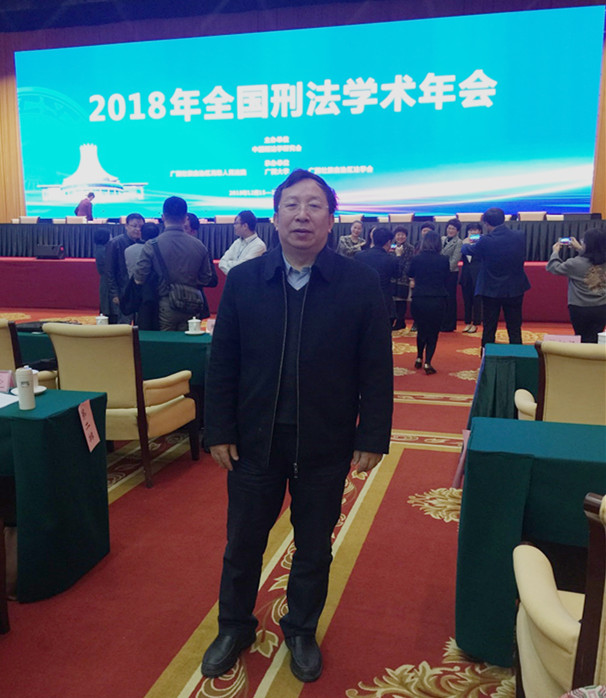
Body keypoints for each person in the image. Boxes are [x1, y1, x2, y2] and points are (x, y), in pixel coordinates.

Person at [201, 169, 393, 684]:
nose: (302, 215)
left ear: (331, 220)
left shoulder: (359, 283)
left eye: (314, 206)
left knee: (313, 545)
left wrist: (372, 435)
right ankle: (234, 626)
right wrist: (218, 429)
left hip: (326, 441)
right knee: (243, 543)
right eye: (291, 205)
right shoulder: (245, 281)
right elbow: (223, 363)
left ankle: (301, 629)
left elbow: (376, 367)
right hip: (253, 442)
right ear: (275, 217)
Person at [134, 197, 214, 331]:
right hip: (193, 304)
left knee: (167, 342)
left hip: (165, 305)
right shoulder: (199, 246)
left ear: (163, 217)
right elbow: (206, 278)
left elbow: (139, 278)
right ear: (185, 218)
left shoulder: (152, 245)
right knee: (189, 340)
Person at [461, 207, 530, 347]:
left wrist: (465, 243)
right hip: (515, 288)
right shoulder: (519, 235)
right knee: (515, 327)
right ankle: (518, 356)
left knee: (489, 327)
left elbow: (469, 250)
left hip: (491, 289)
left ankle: (487, 357)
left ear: (486, 224)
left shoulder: (485, 241)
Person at [546, 228, 606, 342]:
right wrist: (579, 248)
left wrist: (555, 252)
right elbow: (593, 256)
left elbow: (553, 267)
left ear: (587, 244)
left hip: (580, 307)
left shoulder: (575, 263)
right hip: (602, 307)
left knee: (581, 337)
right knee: (596, 338)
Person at [408, 230, 450, 374]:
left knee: (421, 329)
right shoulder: (444, 259)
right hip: (437, 298)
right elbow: (446, 277)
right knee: (433, 331)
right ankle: (428, 362)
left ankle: (419, 357)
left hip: (419, 298)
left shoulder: (417, 258)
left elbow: (410, 273)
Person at [355, 226, 399, 324]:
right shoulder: (392, 259)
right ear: (388, 242)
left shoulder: (359, 256)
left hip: (363, 301)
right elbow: (397, 275)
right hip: (384, 301)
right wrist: (399, 256)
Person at [106, 212, 144, 324]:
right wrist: (114, 294)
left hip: (139, 293)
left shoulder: (145, 244)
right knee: (122, 325)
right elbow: (109, 271)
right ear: (126, 226)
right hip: (122, 291)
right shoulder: (115, 243)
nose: (138, 229)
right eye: (134, 226)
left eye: (141, 226)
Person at [218, 210, 267, 274]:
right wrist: (233, 273)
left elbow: (243, 268)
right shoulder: (237, 242)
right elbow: (222, 263)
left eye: (236, 223)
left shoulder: (259, 246)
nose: (234, 226)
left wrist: (229, 264)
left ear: (245, 226)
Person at [459, 222, 483, 333]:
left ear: (480, 231)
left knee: (477, 301)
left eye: (475, 230)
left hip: (478, 275)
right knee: (467, 300)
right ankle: (468, 322)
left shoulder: (483, 242)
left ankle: (476, 323)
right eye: (471, 230)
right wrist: (466, 243)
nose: (473, 232)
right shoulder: (464, 242)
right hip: (466, 275)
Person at [440, 218, 462, 332]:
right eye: (449, 228)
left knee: (450, 298)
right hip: (439, 273)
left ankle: (449, 324)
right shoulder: (442, 239)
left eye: (453, 229)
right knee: (441, 298)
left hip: (451, 273)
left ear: (457, 231)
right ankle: (441, 322)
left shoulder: (459, 242)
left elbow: (455, 260)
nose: (450, 230)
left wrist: (444, 270)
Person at [390, 226, 414, 330]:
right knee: (392, 301)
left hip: (403, 277)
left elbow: (408, 263)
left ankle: (400, 321)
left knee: (401, 301)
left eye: (402, 235)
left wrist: (402, 274)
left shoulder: (410, 248)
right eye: (398, 234)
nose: (400, 237)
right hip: (392, 278)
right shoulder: (391, 246)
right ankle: (392, 320)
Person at [93, 226, 111, 318]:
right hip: (108, 279)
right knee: (107, 305)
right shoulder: (104, 250)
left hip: (105, 279)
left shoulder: (100, 249)